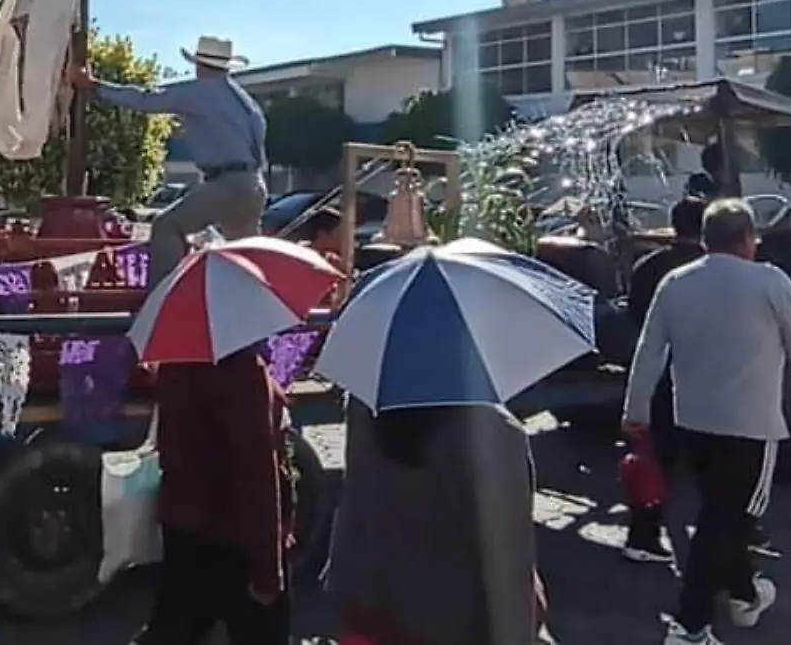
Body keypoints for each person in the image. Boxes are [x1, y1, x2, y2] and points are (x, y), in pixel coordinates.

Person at [623, 199, 791, 645]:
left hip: (694, 422)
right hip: (751, 424)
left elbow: (648, 353)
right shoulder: (767, 281)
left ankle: (744, 595)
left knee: (719, 515)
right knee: (727, 521)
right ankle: (689, 626)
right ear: (748, 239)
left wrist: (636, 411)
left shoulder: (675, 282)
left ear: (704, 240)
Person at [326, 401, 544, 645]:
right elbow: (510, 563)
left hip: (367, 598)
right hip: (444, 619)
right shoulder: (492, 432)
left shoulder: (366, 405)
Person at [72, 35, 267, 282]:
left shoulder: (197, 92)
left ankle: (162, 295)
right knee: (248, 259)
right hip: (253, 185)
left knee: (167, 226)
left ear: (199, 64)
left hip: (224, 183)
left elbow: (146, 99)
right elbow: (258, 145)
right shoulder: (246, 102)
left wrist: (94, 85)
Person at [134, 347, 293, 645]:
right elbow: (258, 474)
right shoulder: (243, 370)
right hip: (237, 535)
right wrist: (268, 574)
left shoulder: (176, 361)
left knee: (174, 629)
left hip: (185, 523)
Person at [620, 196, 706, 564]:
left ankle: (642, 534)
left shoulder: (647, 266)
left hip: (655, 375)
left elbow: (634, 318)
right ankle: (735, 536)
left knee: (655, 460)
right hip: (701, 377)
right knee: (716, 464)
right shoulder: (705, 270)